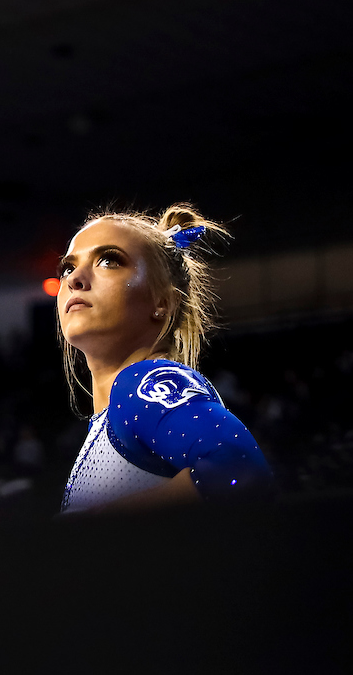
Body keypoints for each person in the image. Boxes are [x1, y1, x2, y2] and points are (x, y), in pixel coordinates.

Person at [55, 203, 272, 513]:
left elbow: (240, 471)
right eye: (67, 267)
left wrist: (86, 528)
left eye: (108, 261)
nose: (75, 278)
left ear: (162, 301)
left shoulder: (142, 383)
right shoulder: (115, 415)